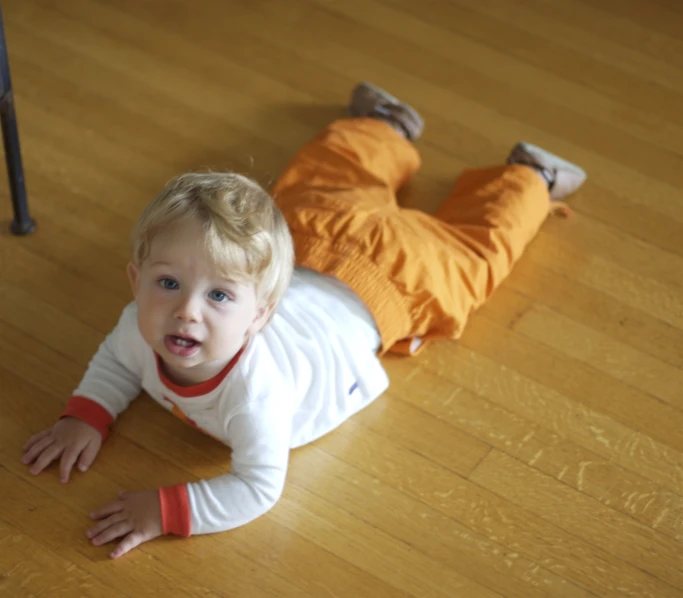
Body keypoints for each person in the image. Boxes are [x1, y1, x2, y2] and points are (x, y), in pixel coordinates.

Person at [20, 82, 587, 558]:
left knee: (471, 255)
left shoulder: (253, 394)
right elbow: (117, 361)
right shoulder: (137, 325)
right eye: (167, 283)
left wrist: (167, 509)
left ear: (261, 315)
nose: (186, 310)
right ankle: (383, 126)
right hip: (313, 235)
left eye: (219, 296)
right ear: (134, 282)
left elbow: (259, 485)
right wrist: (86, 415)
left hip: (393, 281)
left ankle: (526, 178)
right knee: (331, 177)